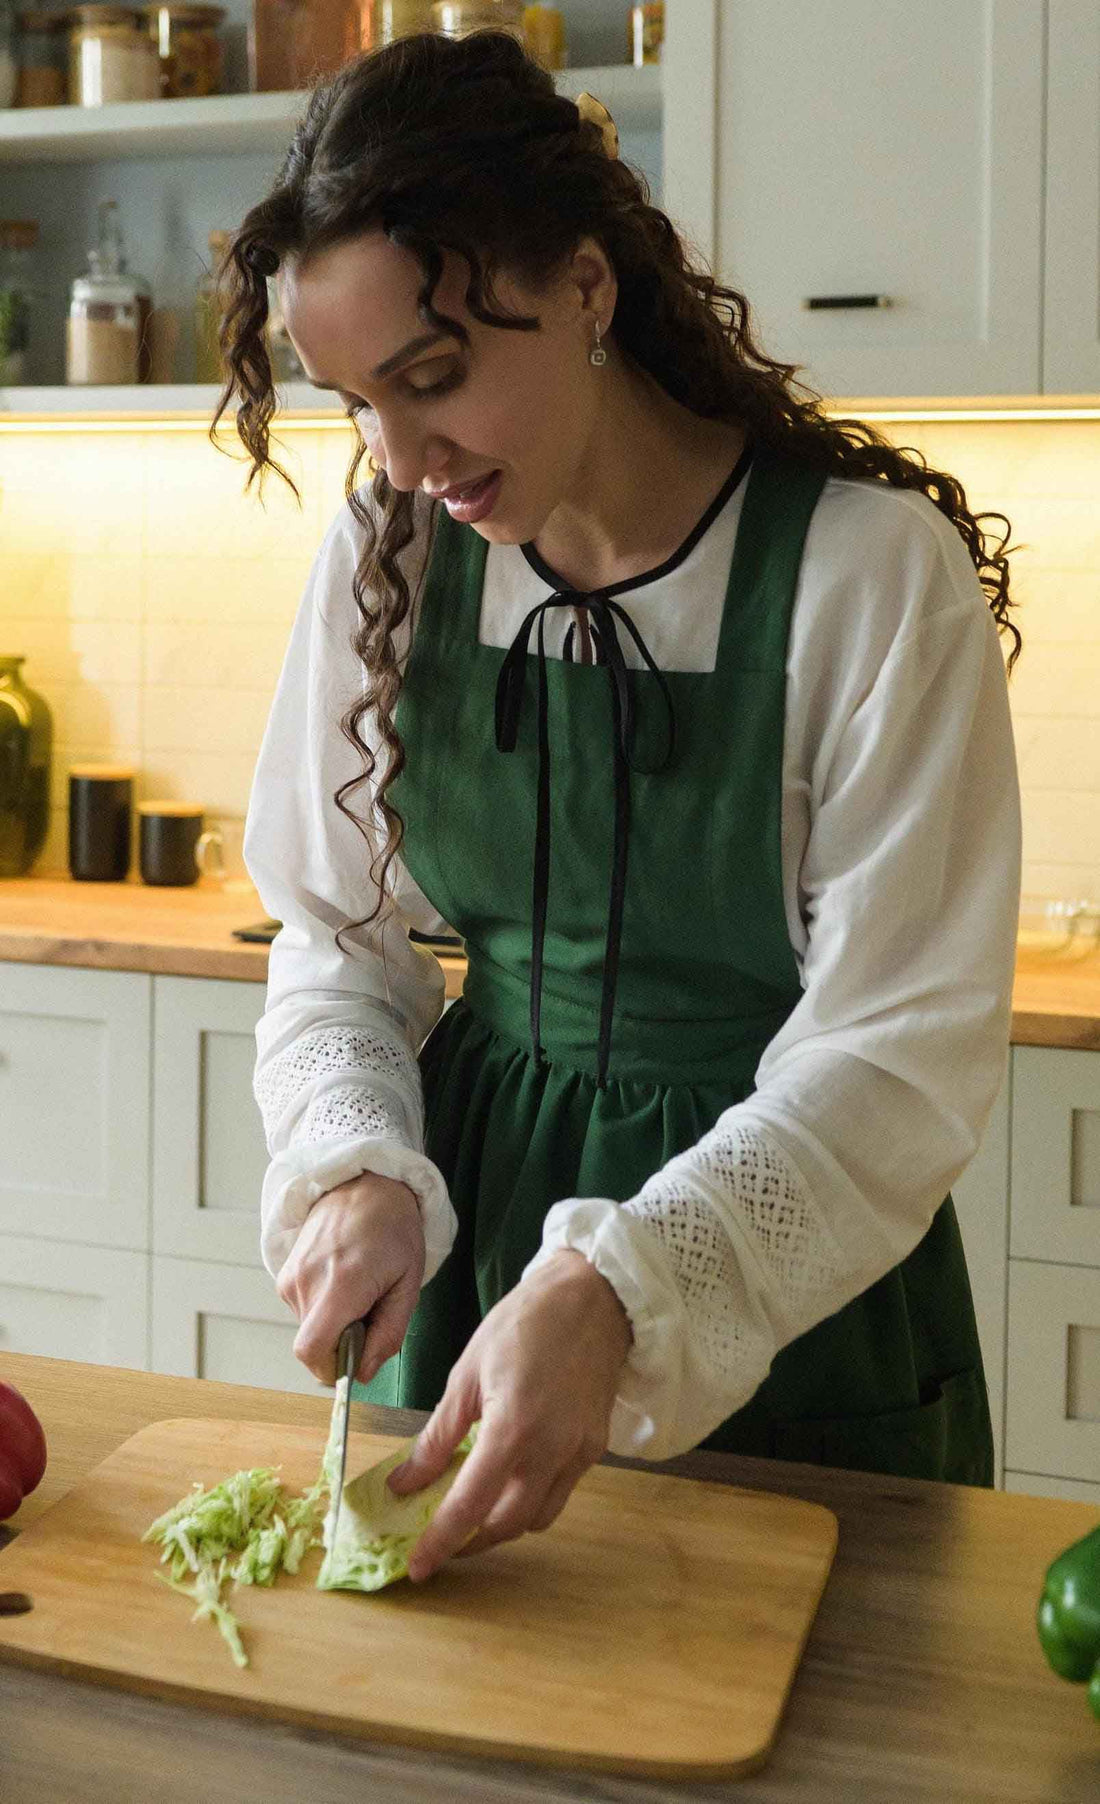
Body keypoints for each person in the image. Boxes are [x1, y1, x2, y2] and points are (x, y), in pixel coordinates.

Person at [215, 30, 1023, 1584]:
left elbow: (896, 1059)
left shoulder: (867, 575)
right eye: (355, 402)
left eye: (435, 379)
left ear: (588, 289)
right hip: (463, 1260)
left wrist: (623, 1293)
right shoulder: (396, 552)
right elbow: (336, 934)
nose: (401, 458)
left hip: (791, 1275)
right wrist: (364, 1159)